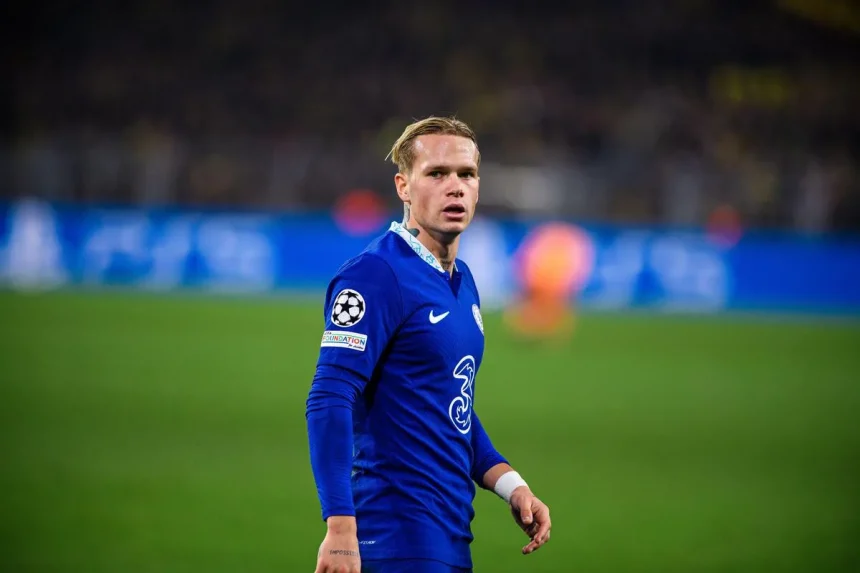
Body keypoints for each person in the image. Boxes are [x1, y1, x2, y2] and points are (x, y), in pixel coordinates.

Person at [306, 116, 552, 573]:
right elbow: (330, 396)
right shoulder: (375, 275)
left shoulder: (462, 281)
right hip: (394, 533)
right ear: (403, 186)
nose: (454, 187)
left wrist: (511, 485)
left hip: (450, 532)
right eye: (436, 173)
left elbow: (449, 404)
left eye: (466, 174)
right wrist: (340, 527)